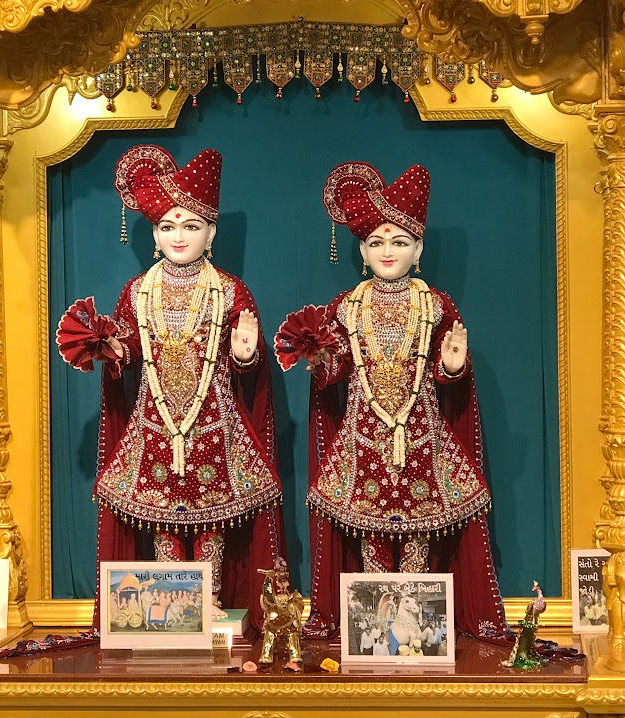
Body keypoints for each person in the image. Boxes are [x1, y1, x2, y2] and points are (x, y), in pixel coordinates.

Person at [61, 144, 285, 629]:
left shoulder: (230, 290)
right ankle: (173, 624)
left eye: (190, 225)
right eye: (166, 226)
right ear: (154, 234)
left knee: (210, 532)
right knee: (164, 530)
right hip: (156, 430)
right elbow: (127, 352)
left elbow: (249, 369)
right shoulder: (137, 290)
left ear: (212, 233)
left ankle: (206, 615)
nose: (178, 235)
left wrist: (246, 357)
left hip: (215, 431)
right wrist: (109, 351)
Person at [296, 161, 505, 639]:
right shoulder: (346, 305)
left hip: (421, 439)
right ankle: (373, 637)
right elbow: (337, 370)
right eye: (376, 242)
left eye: (399, 241)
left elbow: (448, 374)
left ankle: (420, 638)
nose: (387, 251)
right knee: (371, 536)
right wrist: (321, 363)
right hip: (363, 440)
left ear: (419, 248)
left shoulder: (436, 303)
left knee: (417, 536)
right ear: (362, 251)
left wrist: (452, 368)